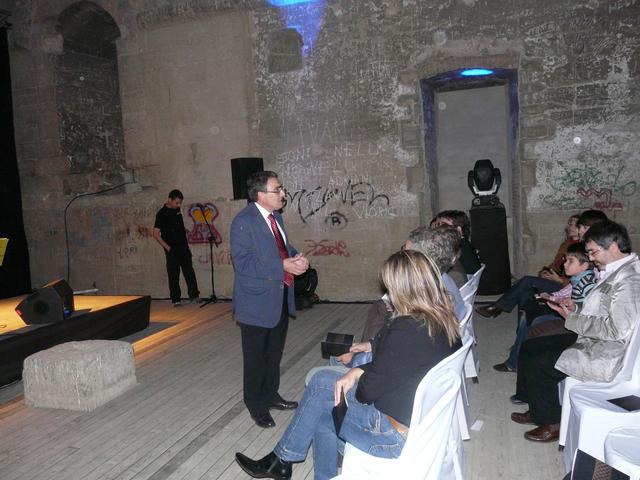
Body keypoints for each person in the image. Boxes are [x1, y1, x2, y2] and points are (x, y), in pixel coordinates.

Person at [235, 250, 462, 480]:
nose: (388, 294)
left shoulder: (405, 328)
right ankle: (284, 461)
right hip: (421, 426)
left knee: (321, 383)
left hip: (391, 436)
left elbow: (366, 392)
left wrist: (357, 375)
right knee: (323, 412)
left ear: (404, 289)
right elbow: (398, 364)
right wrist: (358, 369)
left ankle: (281, 460)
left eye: (391, 287)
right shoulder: (443, 320)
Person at [511, 220, 640, 442]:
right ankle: (537, 407)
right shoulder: (618, 270)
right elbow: (603, 308)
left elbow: (616, 330)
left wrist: (572, 319)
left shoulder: (630, 280)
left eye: (593, 252)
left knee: (540, 362)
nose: (590, 258)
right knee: (531, 346)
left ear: (613, 247)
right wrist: (576, 308)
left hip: (605, 351)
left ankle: (552, 422)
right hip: (593, 339)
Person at [230, 171, 309, 429]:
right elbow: (244, 263)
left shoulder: (276, 217)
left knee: (274, 353)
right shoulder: (244, 221)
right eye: (278, 190)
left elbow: (282, 248)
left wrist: (296, 257)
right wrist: (282, 265)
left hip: (279, 296)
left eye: (281, 188)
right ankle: (255, 404)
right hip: (255, 302)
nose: (283, 193)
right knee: (256, 358)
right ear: (260, 195)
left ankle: (271, 394)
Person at [476, 210, 608, 319]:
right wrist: (547, 272)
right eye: (578, 226)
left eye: (582, 227)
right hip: (562, 280)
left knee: (527, 281)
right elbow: (558, 264)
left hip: (566, 286)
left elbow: (580, 281)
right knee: (526, 293)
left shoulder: (589, 251)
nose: (578, 230)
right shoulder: (569, 243)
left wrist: (559, 280)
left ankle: (498, 307)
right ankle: (524, 326)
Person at [494, 242, 598, 374]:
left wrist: (559, 302)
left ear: (585, 265)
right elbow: (568, 295)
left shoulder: (587, 283)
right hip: (567, 315)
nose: (565, 264)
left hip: (575, 323)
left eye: (570, 261)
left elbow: (587, 310)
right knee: (529, 309)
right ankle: (517, 355)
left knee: (533, 319)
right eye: (566, 260)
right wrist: (553, 299)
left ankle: (518, 360)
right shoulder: (577, 279)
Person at [153, 189, 200, 307]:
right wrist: (168, 248)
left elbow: (177, 226)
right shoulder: (161, 214)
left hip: (183, 247)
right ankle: (176, 299)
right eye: (177, 202)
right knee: (173, 274)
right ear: (170, 200)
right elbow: (155, 234)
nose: (179, 205)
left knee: (189, 272)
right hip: (172, 249)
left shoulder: (177, 210)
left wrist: (185, 232)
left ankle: (194, 295)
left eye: (180, 203)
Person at [431, 210, 481, 274]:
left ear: (458, 230)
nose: (438, 228)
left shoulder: (459, 248)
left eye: (444, 225)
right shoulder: (464, 244)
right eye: (437, 225)